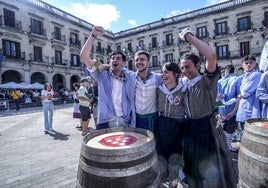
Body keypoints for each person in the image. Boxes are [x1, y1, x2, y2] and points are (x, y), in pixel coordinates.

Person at [178, 27, 238, 188]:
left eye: (188, 67)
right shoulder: (185, 85)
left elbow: (211, 55)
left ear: (198, 65)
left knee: (213, 169)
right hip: (192, 129)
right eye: (182, 68)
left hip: (208, 129)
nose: (185, 72)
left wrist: (189, 37)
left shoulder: (207, 81)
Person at [80, 26, 134, 129]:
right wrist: (93, 35)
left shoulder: (129, 77)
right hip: (105, 121)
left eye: (118, 58)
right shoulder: (102, 75)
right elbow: (84, 57)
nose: (114, 60)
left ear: (123, 63)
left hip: (124, 121)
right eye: (112, 58)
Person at [154, 62, 187, 185]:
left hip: (176, 125)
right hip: (162, 124)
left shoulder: (183, 91)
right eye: (162, 72)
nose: (163, 75)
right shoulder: (159, 90)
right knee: (161, 152)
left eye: (166, 72)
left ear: (175, 74)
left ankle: (174, 178)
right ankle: (163, 178)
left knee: (175, 153)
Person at [128, 50, 162, 131]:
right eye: (137, 60)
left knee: (154, 142)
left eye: (142, 59)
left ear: (148, 63)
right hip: (136, 119)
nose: (139, 62)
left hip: (153, 118)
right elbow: (116, 69)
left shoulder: (157, 78)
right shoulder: (131, 77)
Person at [217, 64, 242, 152]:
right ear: (233, 71)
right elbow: (239, 97)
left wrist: (219, 112)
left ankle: (224, 146)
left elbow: (217, 98)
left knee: (223, 128)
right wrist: (233, 112)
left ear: (226, 71)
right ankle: (228, 146)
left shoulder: (219, 81)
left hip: (222, 110)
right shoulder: (237, 79)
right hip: (233, 110)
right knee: (230, 128)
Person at [236, 55, 262, 129]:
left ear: (255, 64)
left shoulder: (256, 75)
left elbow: (244, 92)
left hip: (251, 111)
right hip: (244, 110)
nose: (248, 65)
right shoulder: (244, 76)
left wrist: (240, 95)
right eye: (246, 63)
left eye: (251, 62)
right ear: (242, 65)